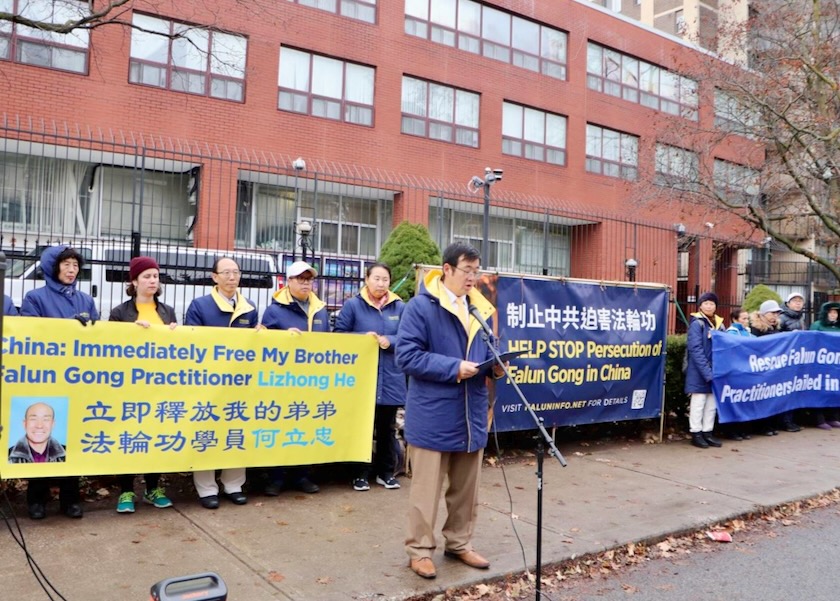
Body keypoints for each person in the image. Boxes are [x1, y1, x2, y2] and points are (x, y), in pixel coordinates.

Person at [396, 242, 504, 580]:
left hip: (471, 416)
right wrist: (453, 367)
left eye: (477, 271)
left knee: (466, 492)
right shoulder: (421, 307)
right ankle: (420, 550)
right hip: (433, 414)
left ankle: (459, 543)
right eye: (466, 270)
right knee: (426, 491)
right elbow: (407, 356)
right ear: (446, 270)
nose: (473, 278)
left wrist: (497, 365)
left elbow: (490, 348)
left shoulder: (480, 309)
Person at [19, 245, 97, 519]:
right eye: (66, 264)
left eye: (75, 265)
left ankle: (70, 499)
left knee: (71, 442)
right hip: (46, 380)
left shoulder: (86, 300)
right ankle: (36, 499)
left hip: (76, 381)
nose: (71, 270)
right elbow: (29, 334)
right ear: (53, 267)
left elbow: (99, 340)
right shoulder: (35, 297)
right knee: (41, 440)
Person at [185, 257, 258, 509]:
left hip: (239, 382)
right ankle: (206, 489)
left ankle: (234, 484)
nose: (232, 277)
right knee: (206, 432)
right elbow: (191, 343)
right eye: (226, 272)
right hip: (208, 382)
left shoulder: (249, 307)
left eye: (235, 272)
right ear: (214, 277)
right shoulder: (200, 306)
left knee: (236, 431)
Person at [109, 256, 177, 513]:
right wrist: (131, 332)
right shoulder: (120, 312)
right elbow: (109, 347)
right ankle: (126, 490)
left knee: (155, 437)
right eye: (146, 276)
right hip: (130, 386)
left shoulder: (167, 311)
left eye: (155, 276)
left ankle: (152, 488)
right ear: (134, 281)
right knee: (128, 437)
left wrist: (174, 333)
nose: (152, 281)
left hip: (159, 387)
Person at [334, 262, 406, 492]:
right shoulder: (353, 306)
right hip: (362, 380)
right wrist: (362, 339)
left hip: (391, 377)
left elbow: (408, 338)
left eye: (385, 279)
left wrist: (391, 341)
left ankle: (386, 473)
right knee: (361, 428)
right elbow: (339, 336)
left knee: (387, 429)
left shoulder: (399, 307)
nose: (381, 283)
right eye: (376, 278)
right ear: (366, 279)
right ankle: (359, 474)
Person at [260, 260, 329, 496]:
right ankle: (276, 478)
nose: (305, 283)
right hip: (282, 382)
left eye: (309, 279)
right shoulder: (275, 310)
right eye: (300, 279)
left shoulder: (321, 310)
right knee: (280, 428)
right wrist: (283, 338)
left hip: (311, 382)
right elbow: (263, 343)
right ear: (288, 281)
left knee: (304, 428)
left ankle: (302, 475)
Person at [684, 292, 726, 449]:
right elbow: (695, 349)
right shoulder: (697, 323)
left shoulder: (720, 325)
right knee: (698, 402)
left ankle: (708, 432)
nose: (709, 306)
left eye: (712, 304)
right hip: (698, 371)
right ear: (700, 305)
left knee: (712, 403)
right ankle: (696, 433)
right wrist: (707, 372)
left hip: (716, 369)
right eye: (706, 303)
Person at [749, 299, 784, 436]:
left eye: (777, 314)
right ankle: (761, 426)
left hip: (774, 368)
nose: (775, 316)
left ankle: (770, 424)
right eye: (772, 313)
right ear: (763, 314)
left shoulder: (777, 329)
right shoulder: (756, 329)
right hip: (761, 368)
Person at [775, 292, 806, 431]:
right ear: (788, 303)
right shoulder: (781, 318)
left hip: (798, 359)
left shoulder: (801, 318)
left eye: (800, 301)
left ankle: (793, 419)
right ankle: (785, 421)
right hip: (786, 360)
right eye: (795, 300)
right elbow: (776, 337)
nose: (798, 303)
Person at [722, 307, 754, 441]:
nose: (746, 321)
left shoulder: (747, 332)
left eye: (747, 318)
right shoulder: (732, 332)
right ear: (735, 319)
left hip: (746, 371)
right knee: (735, 402)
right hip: (736, 372)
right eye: (744, 319)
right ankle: (732, 430)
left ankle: (743, 429)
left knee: (745, 402)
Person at [810, 301, 840, 429]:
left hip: (835, 364)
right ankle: (819, 418)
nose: (833, 315)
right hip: (820, 363)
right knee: (820, 390)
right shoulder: (817, 325)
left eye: (835, 312)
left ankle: (833, 417)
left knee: (834, 390)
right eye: (830, 312)